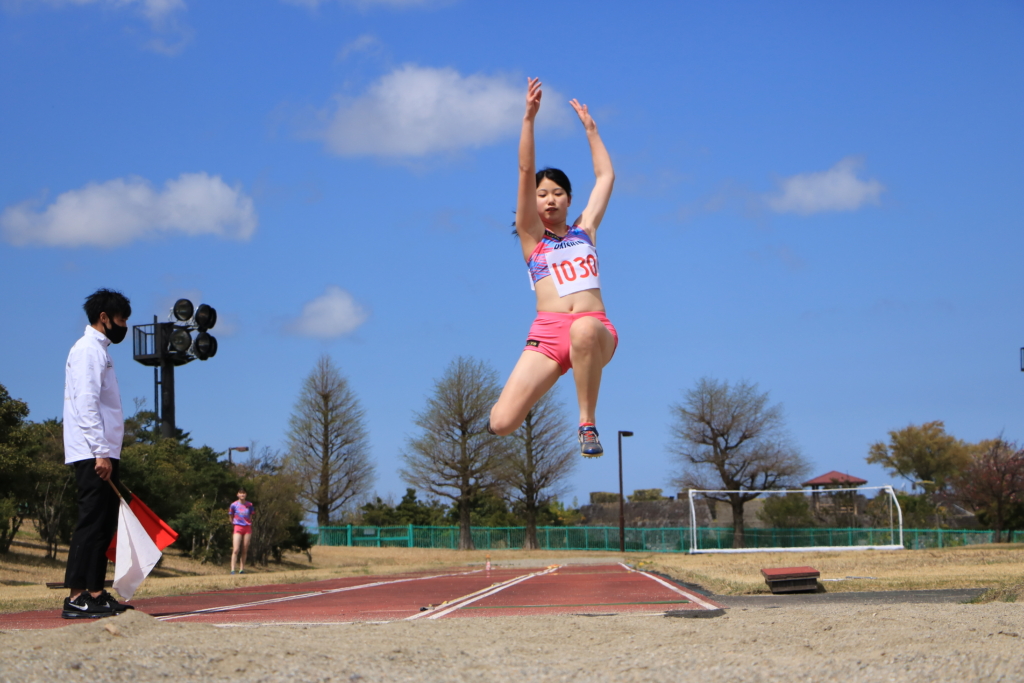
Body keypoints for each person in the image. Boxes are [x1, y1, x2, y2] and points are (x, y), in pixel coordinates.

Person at [489, 77, 617, 457]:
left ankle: (587, 425)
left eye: (558, 193)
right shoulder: (532, 238)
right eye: (542, 194)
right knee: (502, 423)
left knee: (584, 328)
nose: (549, 200)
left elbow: (606, 177)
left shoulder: (585, 230)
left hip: (594, 330)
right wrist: (528, 119)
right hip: (548, 333)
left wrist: (591, 131)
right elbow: (524, 170)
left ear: (569, 199)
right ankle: (499, 411)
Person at [62, 288, 135, 619]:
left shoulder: (101, 351)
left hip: (105, 450)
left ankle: (95, 591)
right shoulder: (87, 350)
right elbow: (86, 402)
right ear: (104, 318)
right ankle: (76, 596)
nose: (124, 326)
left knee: (104, 523)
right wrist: (100, 452)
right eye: (121, 319)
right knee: (91, 521)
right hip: (92, 451)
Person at [229, 488, 253, 574]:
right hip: (237, 527)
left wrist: (249, 523)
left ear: (246, 494)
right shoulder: (233, 505)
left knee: (244, 549)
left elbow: (251, 516)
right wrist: (234, 525)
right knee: (236, 549)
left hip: (247, 528)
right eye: (240, 493)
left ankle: (241, 569)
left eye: (244, 493)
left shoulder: (249, 505)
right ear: (237, 494)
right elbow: (231, 516)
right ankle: (232, 569)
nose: (242, 495)